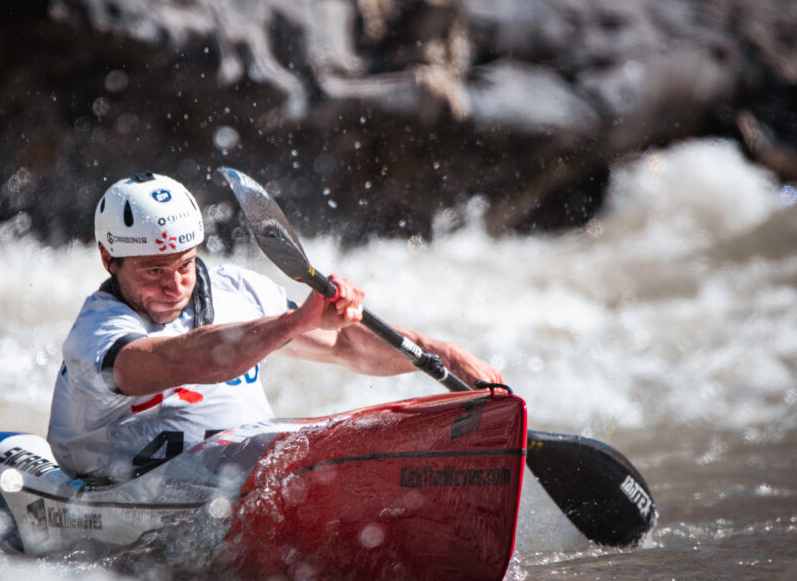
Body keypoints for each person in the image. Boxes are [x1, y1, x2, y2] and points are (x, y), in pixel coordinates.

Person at [47, 171, 502, 481]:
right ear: (109, 259)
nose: (175, 285)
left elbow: (346, 343)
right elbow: (177, 357)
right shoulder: (96, 334)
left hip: (245, 479)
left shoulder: (238, 291)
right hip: (125, 492)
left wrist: (442, 353)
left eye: (185, 265)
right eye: (153, 272)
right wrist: (293, 321)